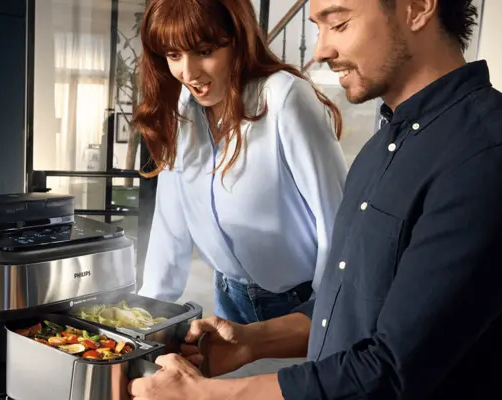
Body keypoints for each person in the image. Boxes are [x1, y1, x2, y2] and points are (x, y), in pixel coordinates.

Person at [129, 0, 502, 398]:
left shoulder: (494, 157)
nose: (320, 50)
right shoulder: (386, 147)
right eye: (317, 27)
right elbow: (346, 307)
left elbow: (392, 370)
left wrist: (206, 397)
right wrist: (253, 341)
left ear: (417, 8)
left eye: (338, 24)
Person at [133, 0, 348, 326]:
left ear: (238, 40)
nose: (188, 73)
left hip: (297, 305)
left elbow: (335, 219)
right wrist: (146, 318)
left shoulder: (285, 98)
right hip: (227, 299)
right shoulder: (182, 107)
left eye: (204, 51)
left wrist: (322, 315)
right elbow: (170, 225)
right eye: (174, 55)